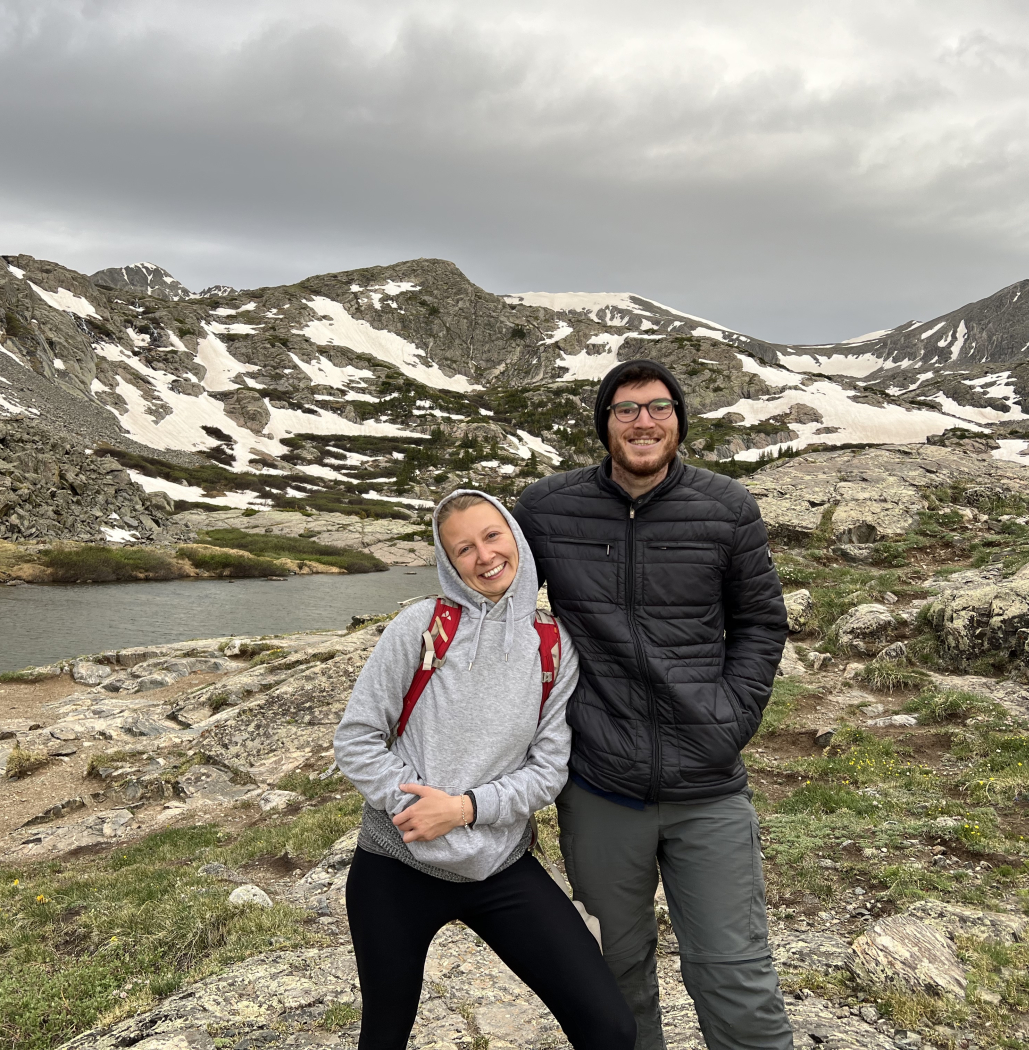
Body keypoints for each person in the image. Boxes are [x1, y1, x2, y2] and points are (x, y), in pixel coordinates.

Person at [512, 359, 793, 1050]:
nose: (644, 422)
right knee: (613, 977)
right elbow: (493, 599)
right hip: (599, 785)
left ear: (679, 421)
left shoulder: (726, 508)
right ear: (605, 424)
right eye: (627, 409)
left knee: (735, 975)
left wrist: (730, 718)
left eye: (659, 407)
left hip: (708, 786)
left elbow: (761, 623)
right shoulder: (546, 509)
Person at [334, 489, 636, 1050]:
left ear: (515, 537)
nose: (484, 556)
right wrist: (413, 808)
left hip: (501, 866)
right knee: (383, 1037)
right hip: (397, 865)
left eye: (492, 536)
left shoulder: (553, 644)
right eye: (464, 548)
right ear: (449, 563)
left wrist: (463, 809)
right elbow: (356, 739)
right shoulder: (422, 626)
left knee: (610, 1028)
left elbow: (548, 769)